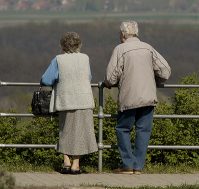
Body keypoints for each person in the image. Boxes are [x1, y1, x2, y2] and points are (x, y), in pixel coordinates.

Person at [104, 21, 171, 174]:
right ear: (137, 33)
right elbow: (165, 71)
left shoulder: (120, 49)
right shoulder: (148, 47)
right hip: (148, 96)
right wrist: (156, 80)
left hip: (129, 98)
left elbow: (111, 77)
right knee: (143, 131)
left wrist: (108, 83)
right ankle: (138, 167)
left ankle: (127, 164)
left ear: (122, 34)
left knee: (122, 129)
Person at [40, 32, 98, 174]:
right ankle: (76, 164)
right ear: (79, 45)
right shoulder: (85, 58)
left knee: (64, 130)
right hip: (84, 99)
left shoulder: (58, 60)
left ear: (63, 46)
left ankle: (66, 161)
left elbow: (46, 79)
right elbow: (89, 76)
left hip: (66, 99)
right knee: (80, 132)